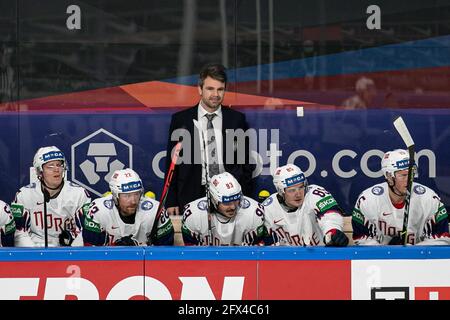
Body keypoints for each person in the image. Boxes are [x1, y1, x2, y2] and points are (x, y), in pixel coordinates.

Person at [164, 63, 254, 215]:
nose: (216, 94)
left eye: (220, 89)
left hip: (228, 196)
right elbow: (172, 163)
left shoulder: (236, 120)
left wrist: (241, 192)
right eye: (210, 89)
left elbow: (244, 162)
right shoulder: (181, 120)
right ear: (200, 89)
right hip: (191, 193)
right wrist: (171, 199)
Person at [352, 149, 450, 245]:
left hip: (419, 260)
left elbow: (442, 238)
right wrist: (387, 253)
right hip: (380, 260)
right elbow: (361, 239)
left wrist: (411, 252)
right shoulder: (367, 200)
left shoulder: (429, 199)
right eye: (403, 175)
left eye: (411, 174)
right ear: (389, 176)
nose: (409, 180)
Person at [11, 146, 91, 247]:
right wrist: (35, 254)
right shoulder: (24, 194)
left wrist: (72, 253)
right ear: (40, 171)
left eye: (59, 165)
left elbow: (85, 232)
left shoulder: (79, 193)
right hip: (35, 249)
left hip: (68, 250)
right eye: (50, 166)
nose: (56, 169)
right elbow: (19, 233)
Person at [82, 168, 174, 246]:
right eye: (127, 196)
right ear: (115, 196)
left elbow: (166, 253)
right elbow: (91, 254)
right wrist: (116, 250)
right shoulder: (99, 211)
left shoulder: (156, 211)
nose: (133, 201)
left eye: (136, 194)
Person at [262, 164, 348, 246]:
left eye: (301, 187)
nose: (298, 194)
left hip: (320, 256)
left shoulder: (314, 193)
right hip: (286, 259)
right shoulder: (268, 208)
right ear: (281, 191)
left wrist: (332, 230)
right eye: (292, 190)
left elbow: (330, 215)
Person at [182, 172, 265, 246]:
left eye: (236, 200)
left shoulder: (254, 213)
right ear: (214, 200)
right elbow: (192, 255)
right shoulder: (193, 215)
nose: (233, 207)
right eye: (227, 203)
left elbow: (254, 255)